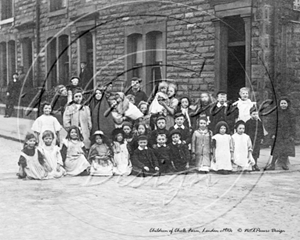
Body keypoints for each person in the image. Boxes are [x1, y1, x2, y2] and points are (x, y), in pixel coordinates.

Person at [266, 97, 296, 171]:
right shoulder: (276, 113)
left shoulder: (291, 113)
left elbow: (293, 125)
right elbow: (272, 124)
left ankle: (284, 164)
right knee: (276, 149)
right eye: (282, 103)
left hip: (287, 134)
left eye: (284, 103)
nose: (283, 105)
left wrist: (292, 135)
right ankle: (272, 164)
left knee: (286, 150)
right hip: (278, 134)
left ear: (287, 104)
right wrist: (273, 133)